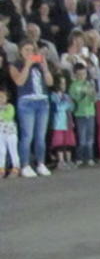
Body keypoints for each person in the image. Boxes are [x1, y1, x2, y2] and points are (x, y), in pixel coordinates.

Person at [10, 41, 55, 177]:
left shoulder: (39, 65)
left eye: (32, 50)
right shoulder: (15, 65)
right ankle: (25, 164)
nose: (29, 53)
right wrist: (27, 66)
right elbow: (19, 81)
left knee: (40, 136)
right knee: (27, 135)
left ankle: (40, 163)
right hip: (27, 101)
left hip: (42, 101)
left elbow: (50, 82)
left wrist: (45, 68)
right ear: (21, 51)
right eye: (26, 50)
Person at [69, 63, 97, 166]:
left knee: (90, 137)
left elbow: (94, 99)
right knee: (82, 138)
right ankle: (80, 157)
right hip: (79, 114)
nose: (82, 76)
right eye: (79, 74)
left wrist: (92, 94)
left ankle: (90, 157)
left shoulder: (89, 84)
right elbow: (74, 98)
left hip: (90, 113)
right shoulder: (73, 85)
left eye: (84, 73)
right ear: (75, 75)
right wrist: (83, 93)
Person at [49, 75, 75, 170]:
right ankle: (61, 161)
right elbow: (58, 108)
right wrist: (67, 103)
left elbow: (72, 108)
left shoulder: (67, 96)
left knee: (68, 142)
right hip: (59, 123)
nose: (63, 85)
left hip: (68, 123)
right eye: (61, 83)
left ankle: (69, 160)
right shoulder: (54, 96)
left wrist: (70, 103)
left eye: (64, 83)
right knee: (59, 142)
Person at [0, 89, 19, 177]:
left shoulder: (10, 106)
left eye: (2, 97)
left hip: (11, 133)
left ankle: (16, 167)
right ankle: (1, 168)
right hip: (1, 133)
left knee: (13, 150)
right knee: (1, 151)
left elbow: (9, 116)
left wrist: (1, 113)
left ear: (7, 98)